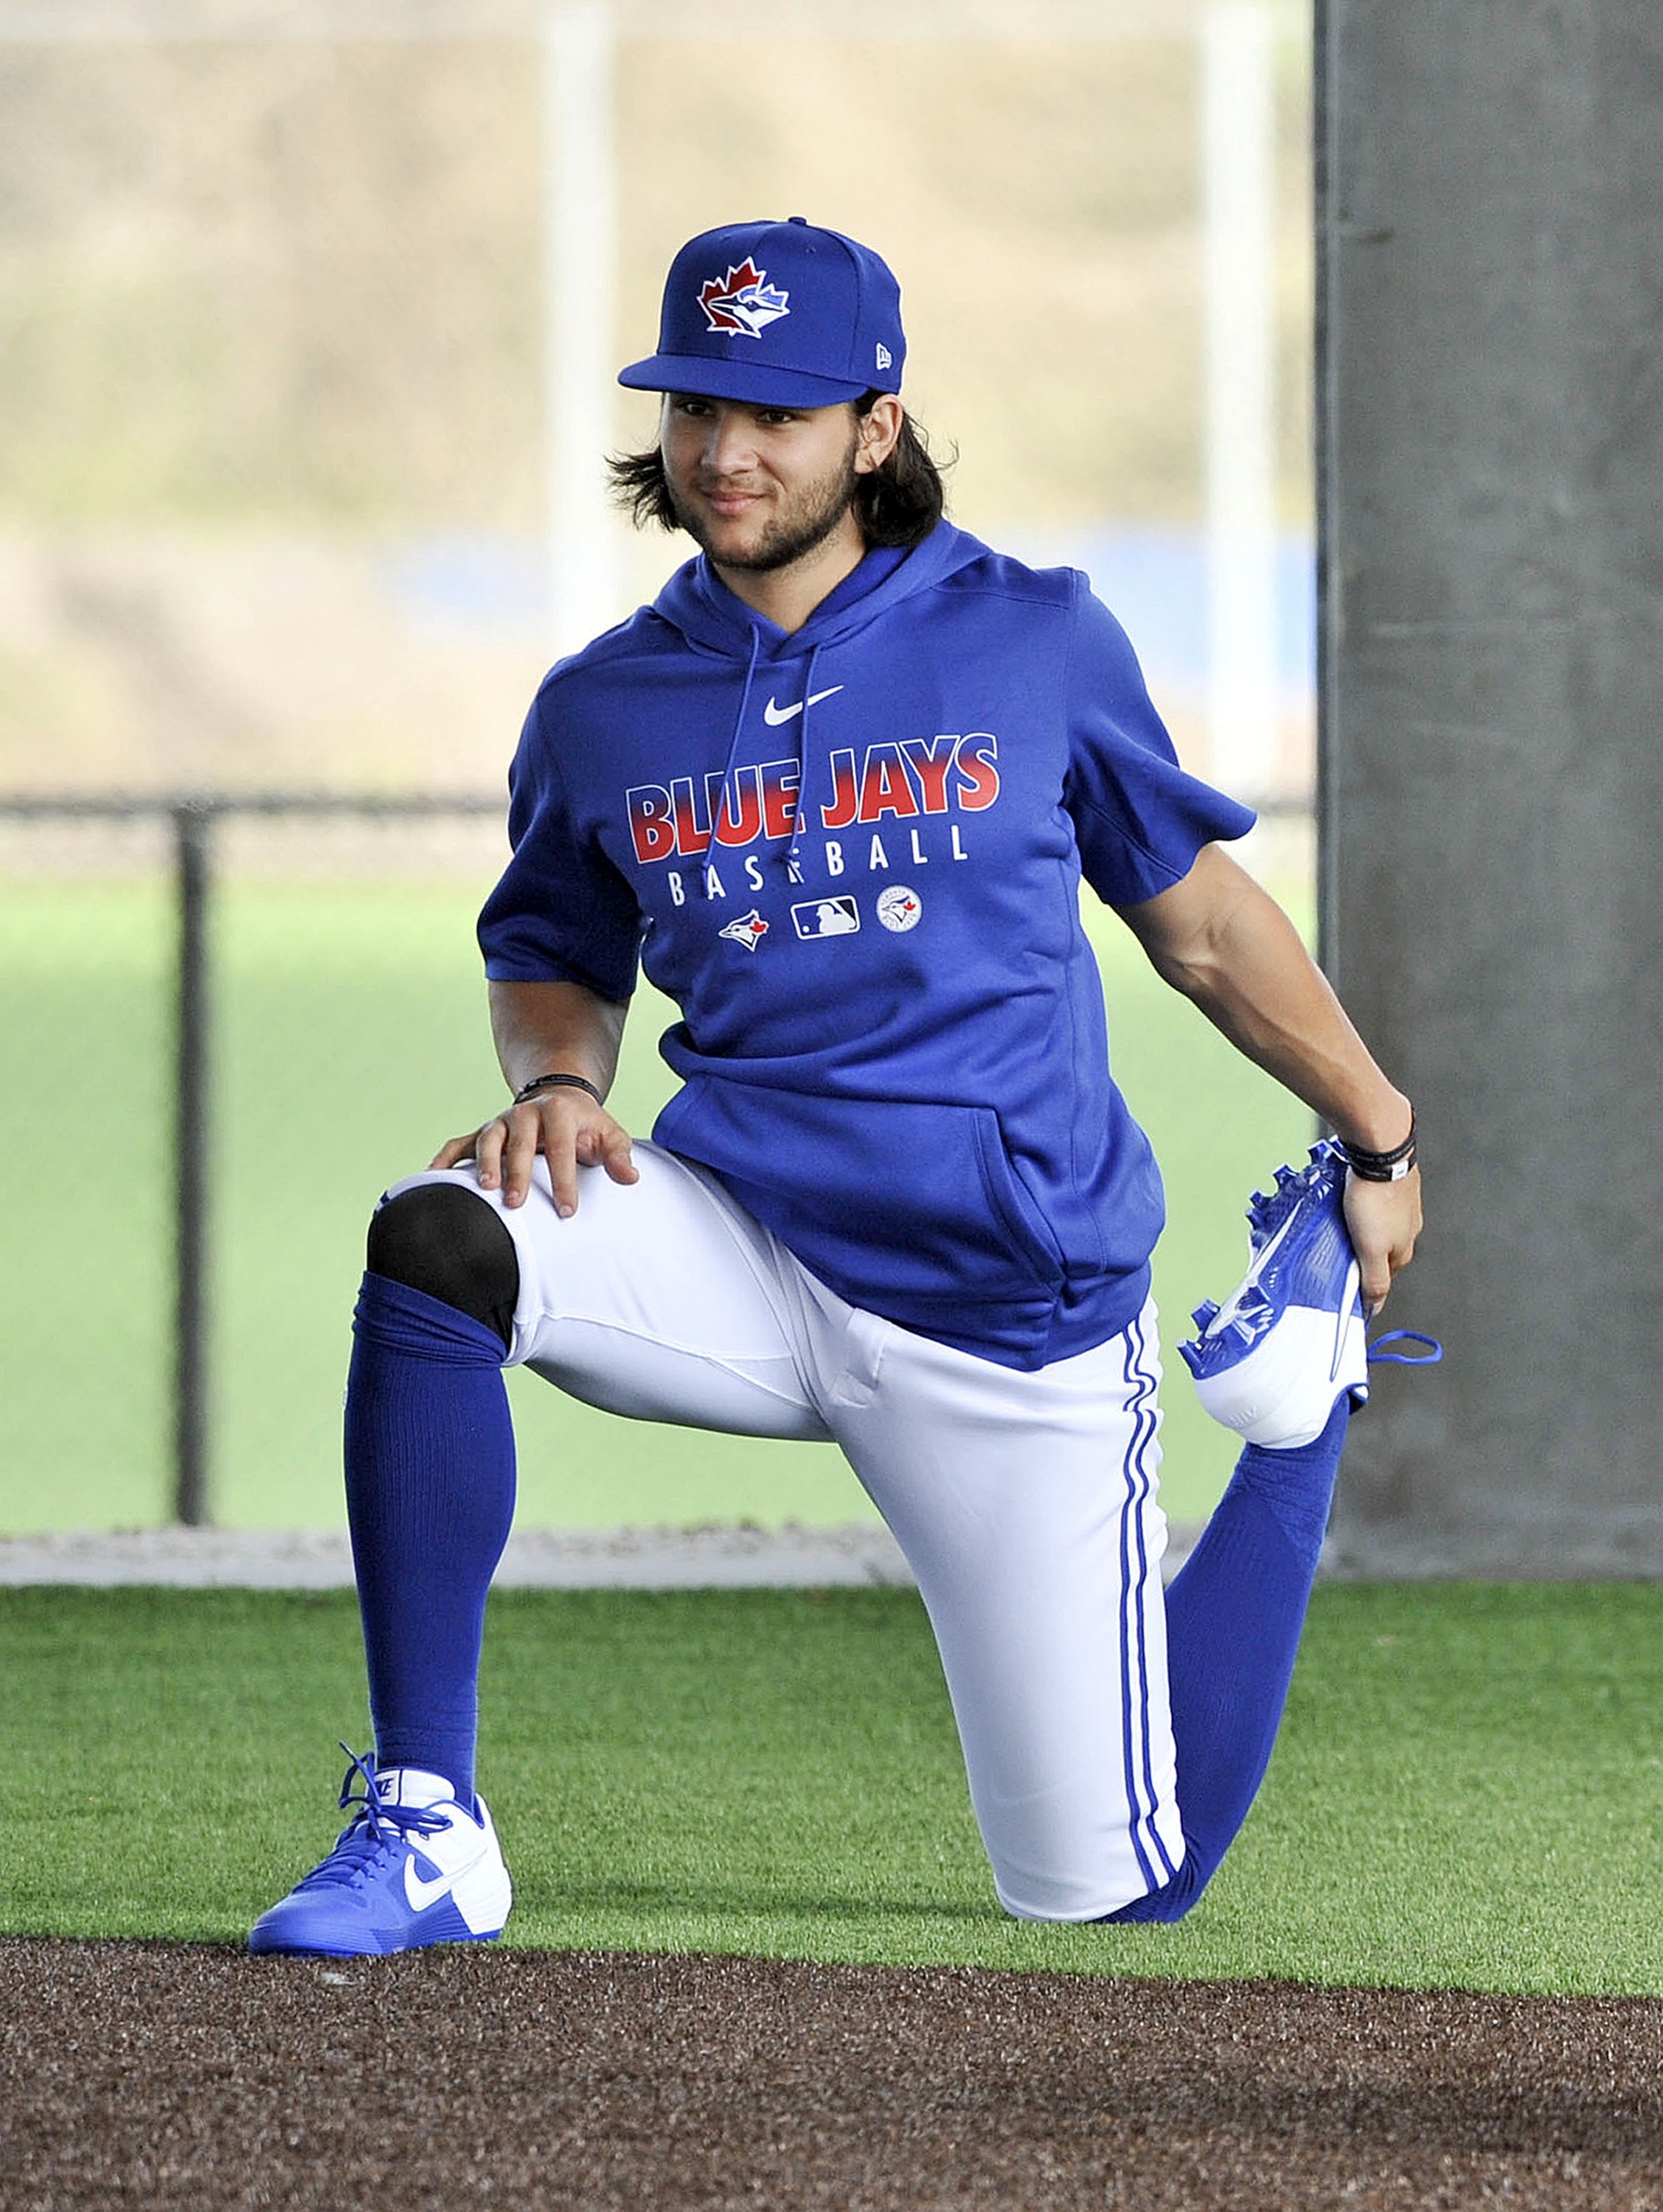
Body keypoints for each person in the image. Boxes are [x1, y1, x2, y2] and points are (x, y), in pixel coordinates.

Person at [250, 218, 1427, 1956]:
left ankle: (1306, 1391)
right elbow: (551, 952)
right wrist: (565, 1079)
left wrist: (1377, 1132)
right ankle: (430, 1827)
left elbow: (1202, 928)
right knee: (440, 1240)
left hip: (1003, 1309)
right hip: (744, 1238)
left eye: (781, 413)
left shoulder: (1034, 640)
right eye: (701, 404)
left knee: (1116, 1891)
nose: (730, 450)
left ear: (875, 426)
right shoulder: (603, 704)